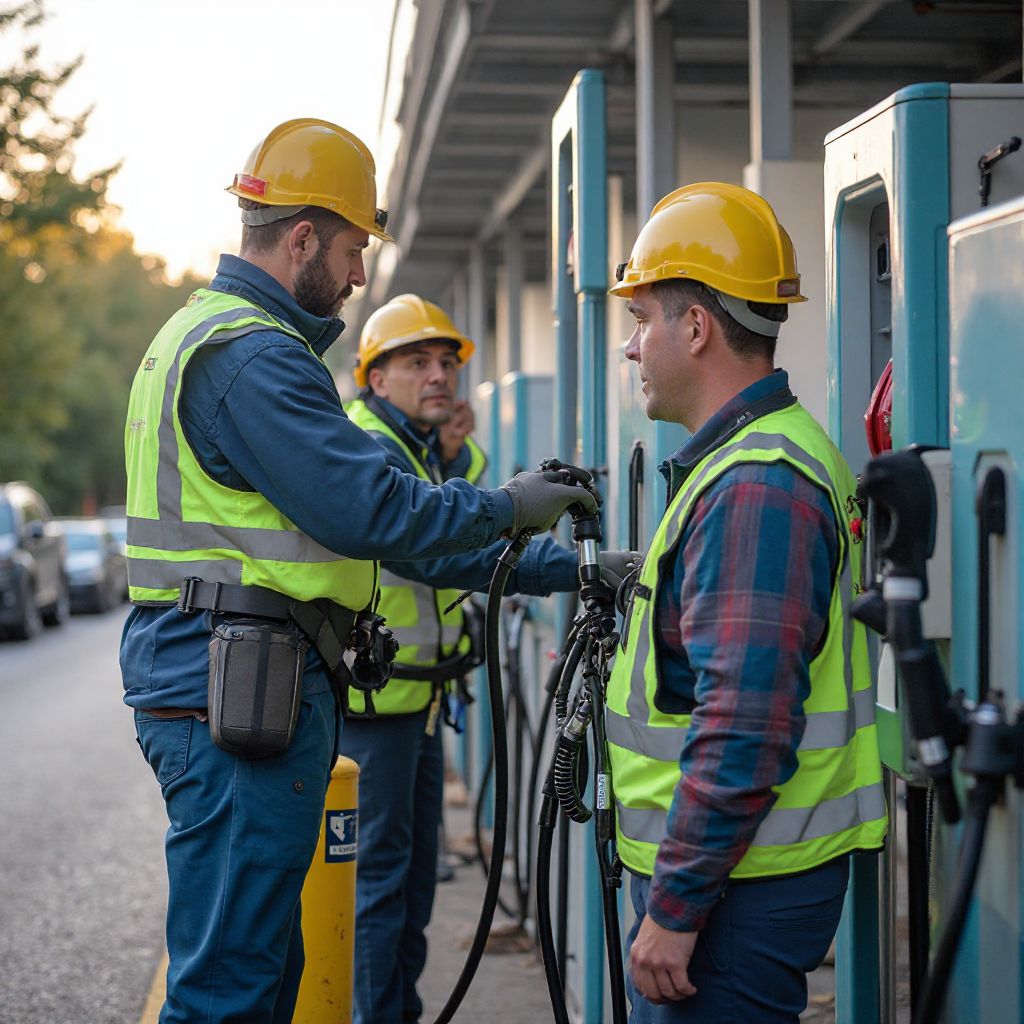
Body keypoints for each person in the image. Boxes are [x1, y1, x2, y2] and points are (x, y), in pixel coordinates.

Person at [120, 118, 599, 1024]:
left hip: (234, 682)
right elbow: (373, 513)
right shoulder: (254, 357)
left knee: (261, 965)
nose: (357, 275)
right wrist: (511, 505)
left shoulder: (209, 336)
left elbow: (384, 530)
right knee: (232, 985)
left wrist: (557, 565)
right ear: (300, 236)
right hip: (238, 690)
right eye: (350, 249)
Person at [605, 182, 887, 1022]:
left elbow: (747, 721)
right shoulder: (757, 461)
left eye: (642, 320)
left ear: (695, 329)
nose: (631, 348)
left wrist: (676, 909)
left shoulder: (758, 484)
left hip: (733, 896)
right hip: (737, 878)